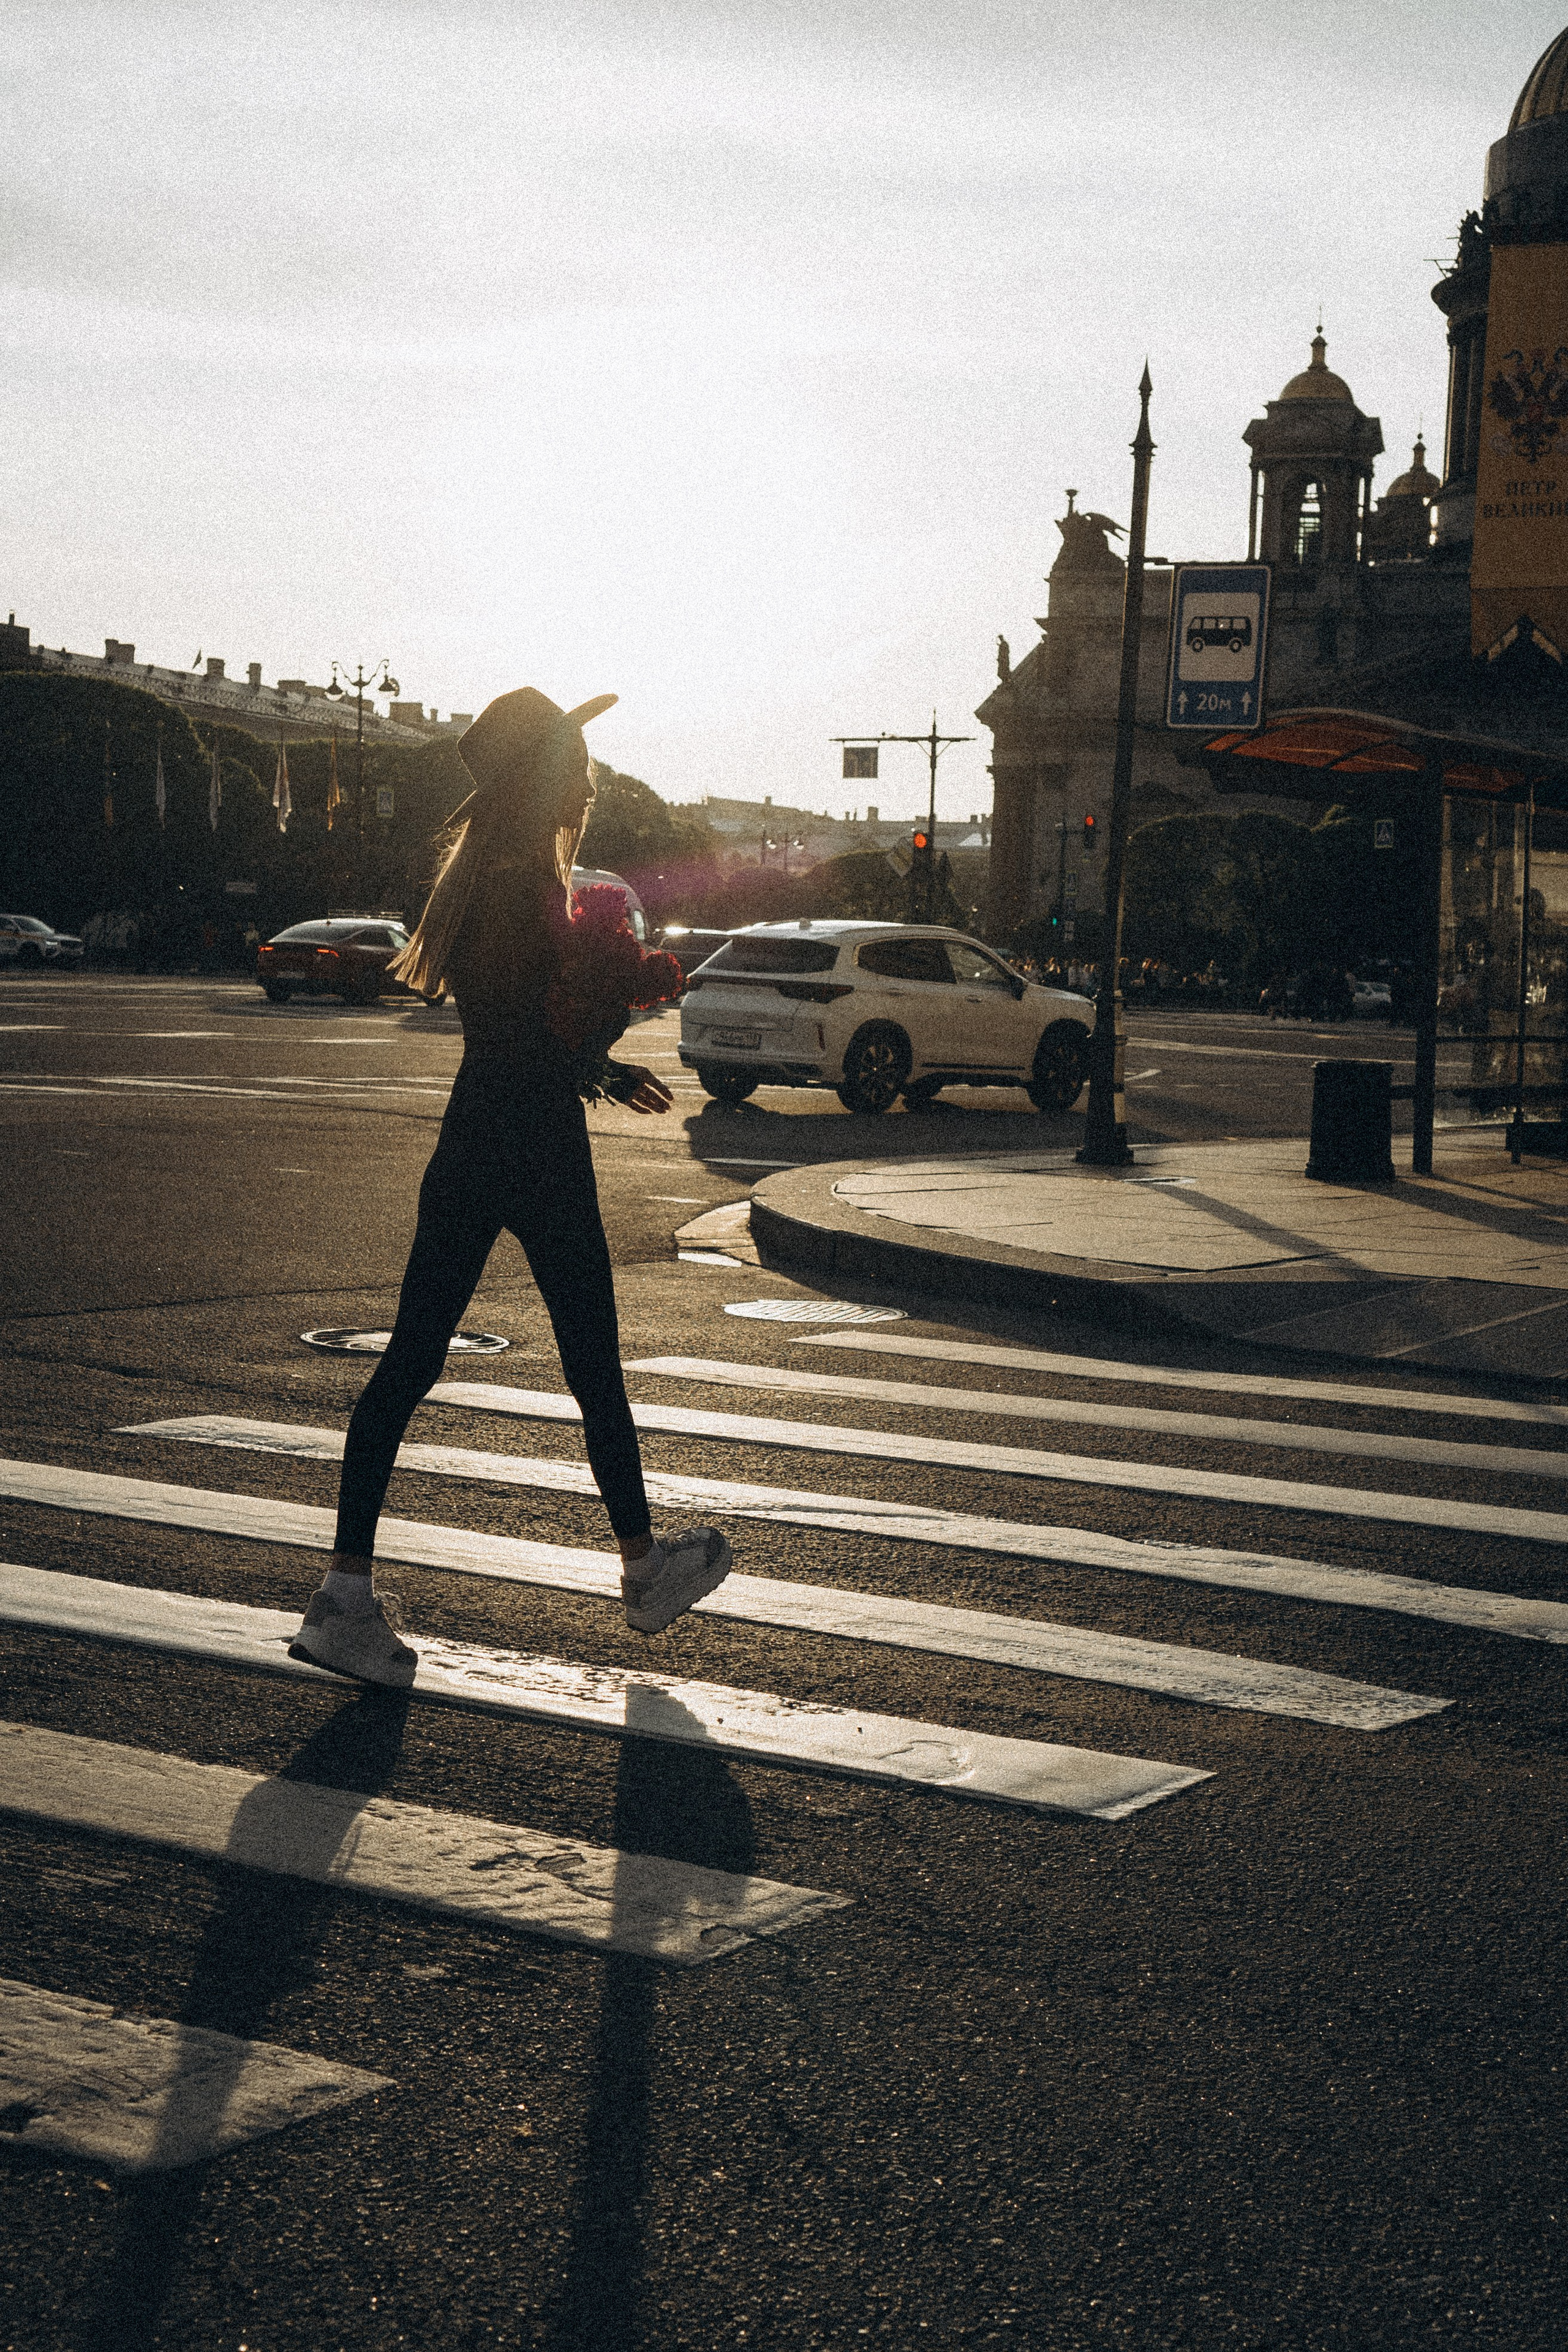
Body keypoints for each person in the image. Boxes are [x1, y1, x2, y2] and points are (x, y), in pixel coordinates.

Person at [289, 686, 732, 1687]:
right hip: (532, 1146)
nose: (588, 776)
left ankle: (345, 1596)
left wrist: (602, 1068)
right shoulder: (522, 884)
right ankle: (642, 1570)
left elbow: (513, 1025)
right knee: (591, 1365)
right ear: (543, 776)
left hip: (477, 1135)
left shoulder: (490, 877)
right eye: (575, 760)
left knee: (409, 1363)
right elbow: (545, 1025)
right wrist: (614, 1015)